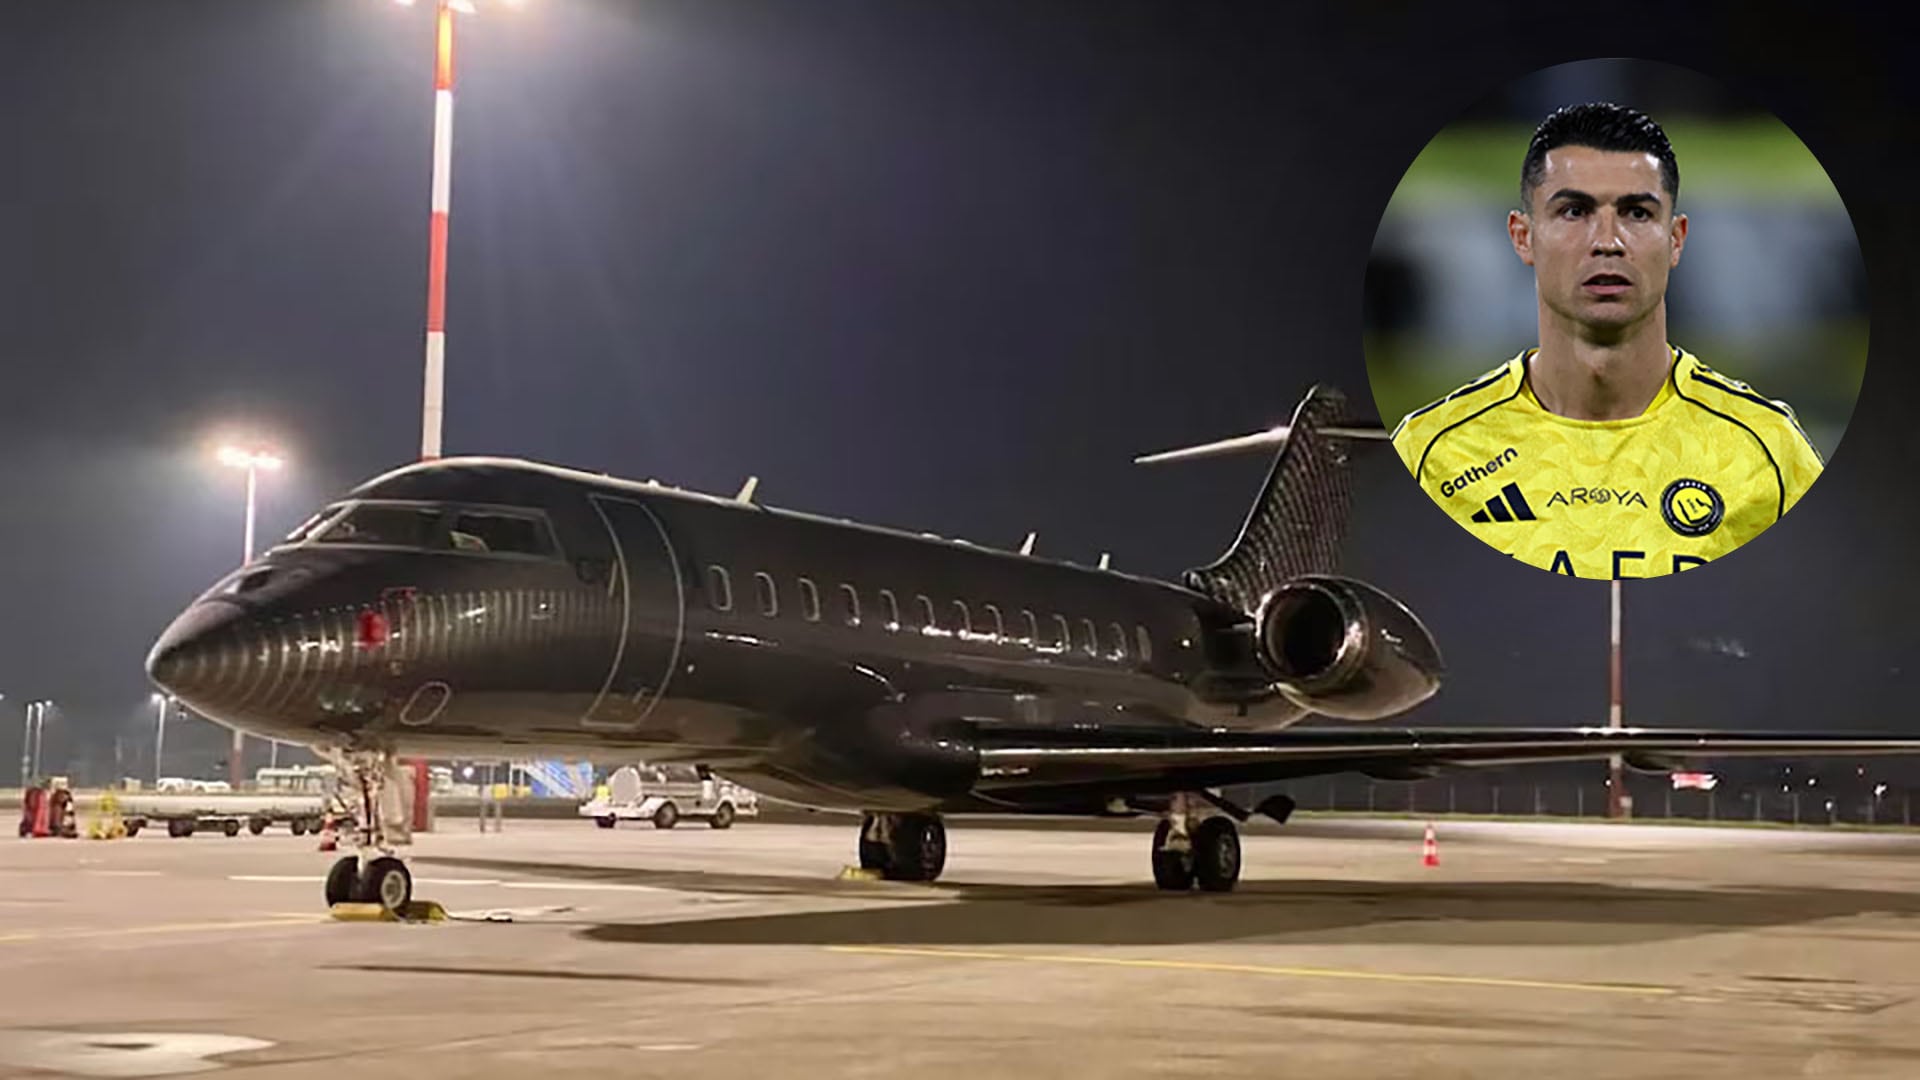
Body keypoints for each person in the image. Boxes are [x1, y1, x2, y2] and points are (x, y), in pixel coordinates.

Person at [1390, 102, 1824, 579]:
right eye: (1574, 211)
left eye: (1636, 213)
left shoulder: (1767, 453)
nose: (1607, 242)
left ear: (1676, 239)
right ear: (1523, 237)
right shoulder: (1431, 455)